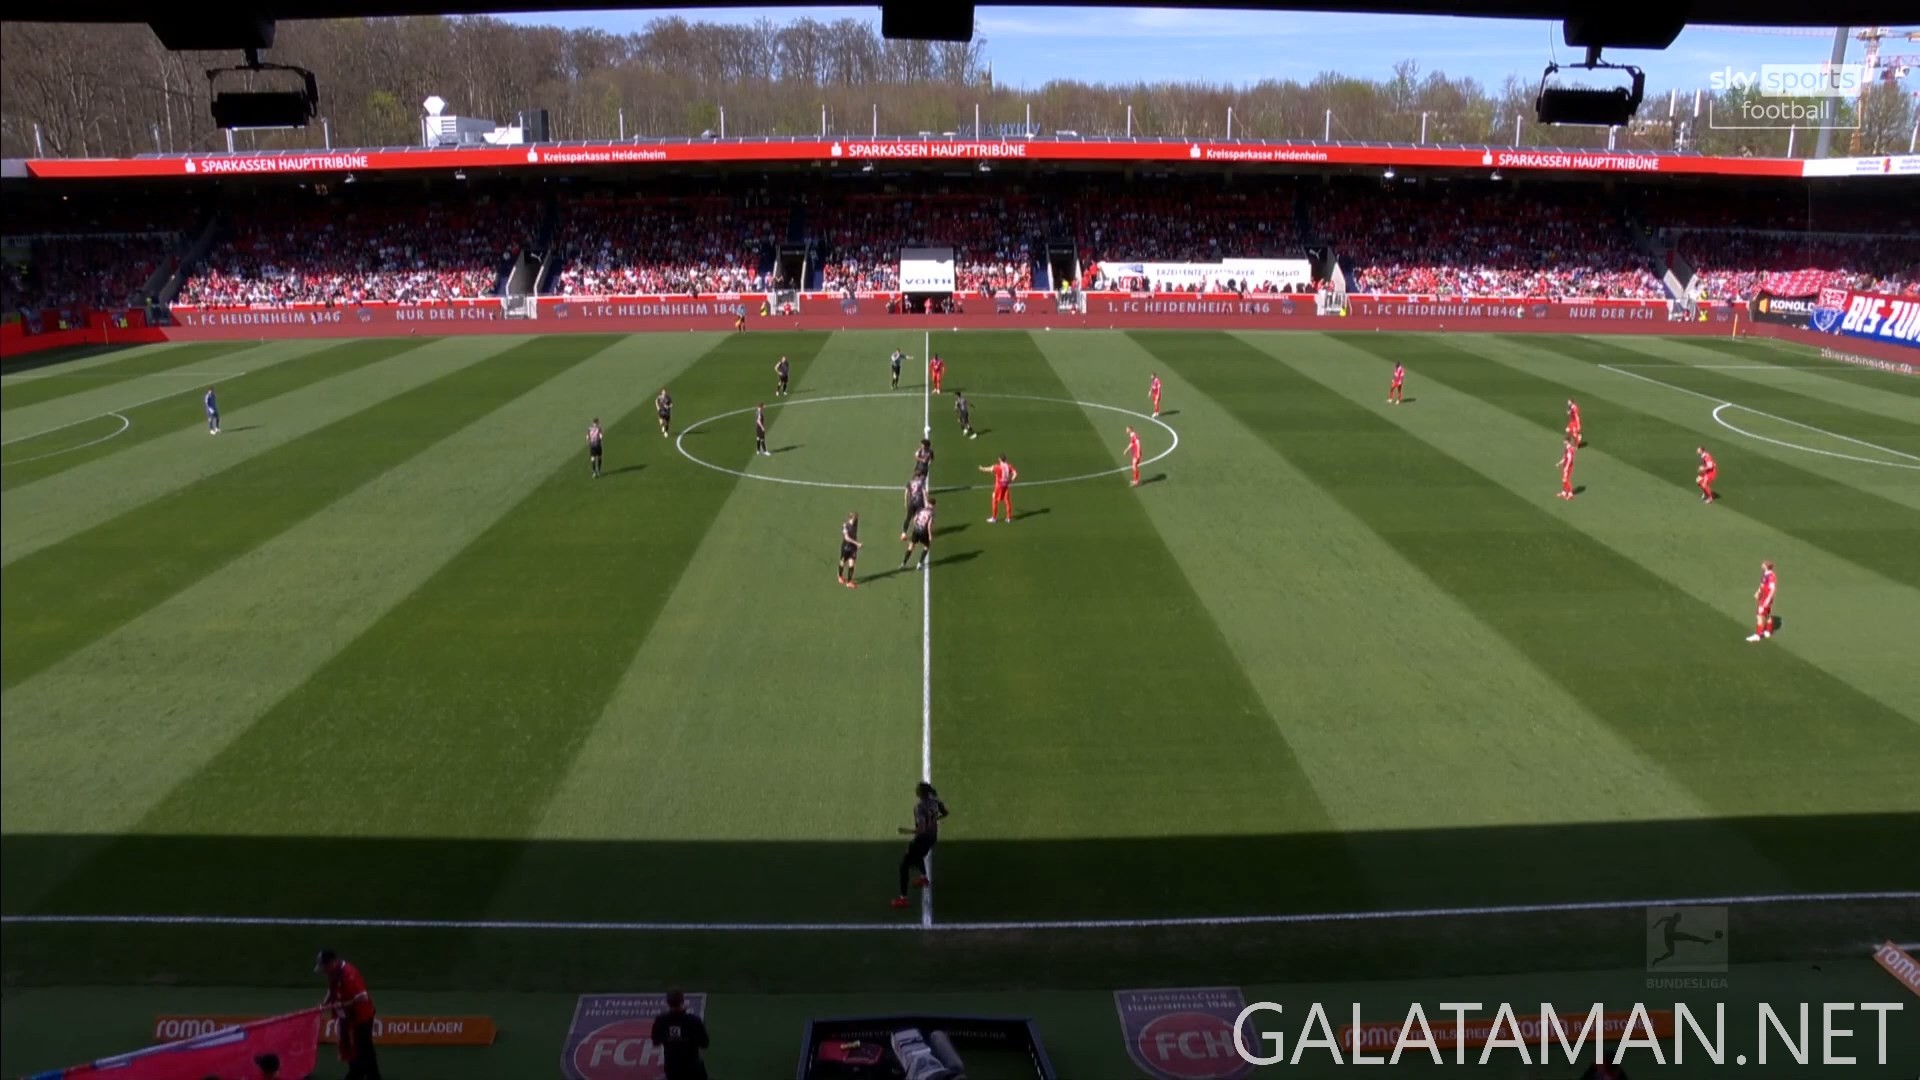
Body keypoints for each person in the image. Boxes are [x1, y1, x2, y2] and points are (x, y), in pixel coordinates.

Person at [316, 949, 381, 1080]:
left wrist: (344, 1004)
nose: (324, 971)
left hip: (361, 1016)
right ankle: (369, 1075)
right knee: (359, 1047)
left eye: (324, 967)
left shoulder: (349, 974)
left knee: (361, 1049)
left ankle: (359, 1075)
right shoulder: (334, 972)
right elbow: (331, 989)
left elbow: (362, 996)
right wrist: (324, 1003)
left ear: (332, 963)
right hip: (348, 1016)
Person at [891, 781, 949, 909]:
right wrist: (934, 820)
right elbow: (945, 813)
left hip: (922, 839)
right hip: (932, 837)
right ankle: (923, 878)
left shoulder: (919, 808)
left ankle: (903, 899)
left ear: (920, 793)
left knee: (904, 866)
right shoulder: (936, 802)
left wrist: (906, 831)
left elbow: (921, 829)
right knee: (919, 855)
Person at [651, 990, 710, 1080]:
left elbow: (655, 1041)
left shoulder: (661, 1020)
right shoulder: (694, 1020)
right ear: (682, 1001)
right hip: (693, 1068)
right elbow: (705, 1044)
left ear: (668, 1002)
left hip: (672, 1068)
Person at [979, 454, 1017, 523]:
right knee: (1007, 501)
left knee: (994, 501)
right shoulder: (1009, 466)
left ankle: (994, 518)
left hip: (998, 487)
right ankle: (1008, 518)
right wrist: (1011, 480)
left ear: (999, 459)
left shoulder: (997, 467)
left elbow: (988, 469)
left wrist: (982, 468)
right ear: (1006, 459)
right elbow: (1015, 473)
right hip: (1005, 486)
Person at [900, 496, 934, 571]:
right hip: (924, 532)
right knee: (926, 547)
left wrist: (916, 526)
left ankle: (904, 563)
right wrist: (930, 535)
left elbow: (915, 519)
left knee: (911, 546)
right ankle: (919, 564)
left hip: (916, 530)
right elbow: (929, 526)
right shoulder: (931, 513)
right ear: (934, 505)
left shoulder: (921, 510)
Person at [1748, 560, 1777, 642]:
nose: (1761, 564)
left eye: (1763, 564)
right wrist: (1758, 592)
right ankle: (1768, 631)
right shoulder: (1765, 574)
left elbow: (1773, 589)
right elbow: (1762, 584)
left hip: (1766, 598)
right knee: (1768, 614)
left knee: (1759, 615)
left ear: (1766, 566)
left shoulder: (1771, 576)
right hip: (1763, 596)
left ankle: (1757, 635)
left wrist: (1768, 600)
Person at [838, 511, 862, 589]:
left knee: (852, 564)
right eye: (855, 518)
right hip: (846, 547)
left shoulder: (856, 523)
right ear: (851, 518)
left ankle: (849, 582)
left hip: (853, 548)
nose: (856, 520)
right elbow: (847, 538)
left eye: (857, 519)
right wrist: (857, 543)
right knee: (842, 562)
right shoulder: (845, 526)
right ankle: (840, 576)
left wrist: (855, 545)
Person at [901, 473, 927, 541]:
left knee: (908, 517)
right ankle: (918, 533)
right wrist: (926, 503)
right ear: (918, 477)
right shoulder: (921, 483)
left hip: (911, 503)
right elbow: (924, 493)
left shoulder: (909, 483)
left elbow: (906, 493)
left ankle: (904, 533)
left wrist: (905, 502)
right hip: (919, 503)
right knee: (919, 518)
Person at [1557, 435, 1577, 500]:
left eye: (1564, 440)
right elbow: (1565, 458)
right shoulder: (1567, 448)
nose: (1563, 441)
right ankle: (1564, 493)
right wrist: (1559, 463)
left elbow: (1570, 459)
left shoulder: (1569, 449)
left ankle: (1570, 494)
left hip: (1568, 466)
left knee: (1567, 480)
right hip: (1566, 465)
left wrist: (1566, 467)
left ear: (1567, 441)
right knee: (1564, 479)